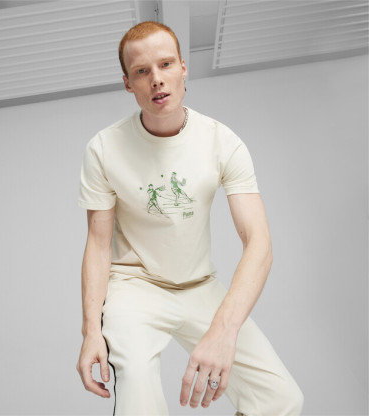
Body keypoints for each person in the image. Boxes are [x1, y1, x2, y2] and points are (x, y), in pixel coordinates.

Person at [76, 20, 304, 416]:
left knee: (281, 399)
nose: (156, 79)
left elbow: (259, 242)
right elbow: (97, 245)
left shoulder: (222, 142)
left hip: (200, 286)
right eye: (142, 71)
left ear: (184, 68)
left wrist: (224, 330)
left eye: (165, 64)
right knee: (138, 401)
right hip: (135, 287)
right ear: (128, 84)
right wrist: (90, 331)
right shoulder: (103, 149)